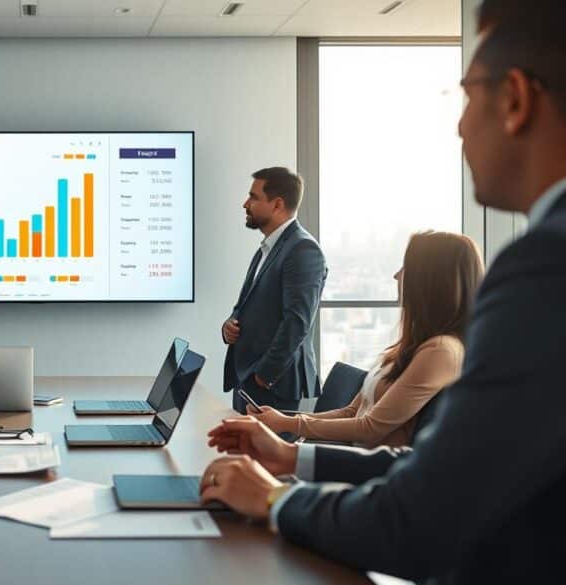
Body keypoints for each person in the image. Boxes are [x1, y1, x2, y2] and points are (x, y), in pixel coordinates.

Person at [199, 1, 566, 582]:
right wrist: (293, 455)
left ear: (516, 99)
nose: (459, 126)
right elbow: (435, 469)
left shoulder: (544, 266)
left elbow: (424, 513)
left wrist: (274, 498)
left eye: (465, 95)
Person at [250, 231, 483, 448]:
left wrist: (289, 425)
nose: (397, 275)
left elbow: (370, 428)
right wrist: (282, 420)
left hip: (366, 473)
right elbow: (352, 412)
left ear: (431, 281)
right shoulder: (412, 346)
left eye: (406, 267)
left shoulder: (441, 351)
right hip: (350, 457)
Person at [222, 167, 327, 412]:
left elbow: (297, 322)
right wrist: (229, 324)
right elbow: (246, 307)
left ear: (277, 204)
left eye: (254, 197)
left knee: (266, 452)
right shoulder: (268, 248)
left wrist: (264, 376)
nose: (245, 204)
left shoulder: (303, 250)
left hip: (273, 386)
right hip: (248, 381)